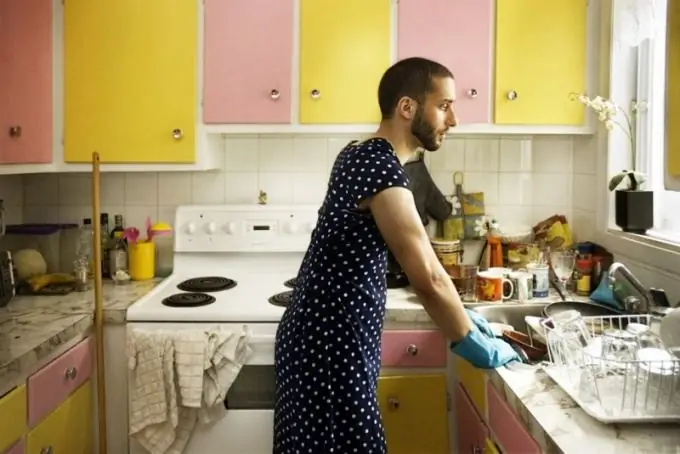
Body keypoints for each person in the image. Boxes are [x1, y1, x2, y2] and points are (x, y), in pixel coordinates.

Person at [273, 57, 518, 454]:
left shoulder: (361, 153)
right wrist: (472, 342)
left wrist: (464, 316)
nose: (452, 119)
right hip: (329, 351)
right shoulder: (377, 165)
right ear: (407, 108)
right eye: (444, 105)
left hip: (323, 343)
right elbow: (429, 276)